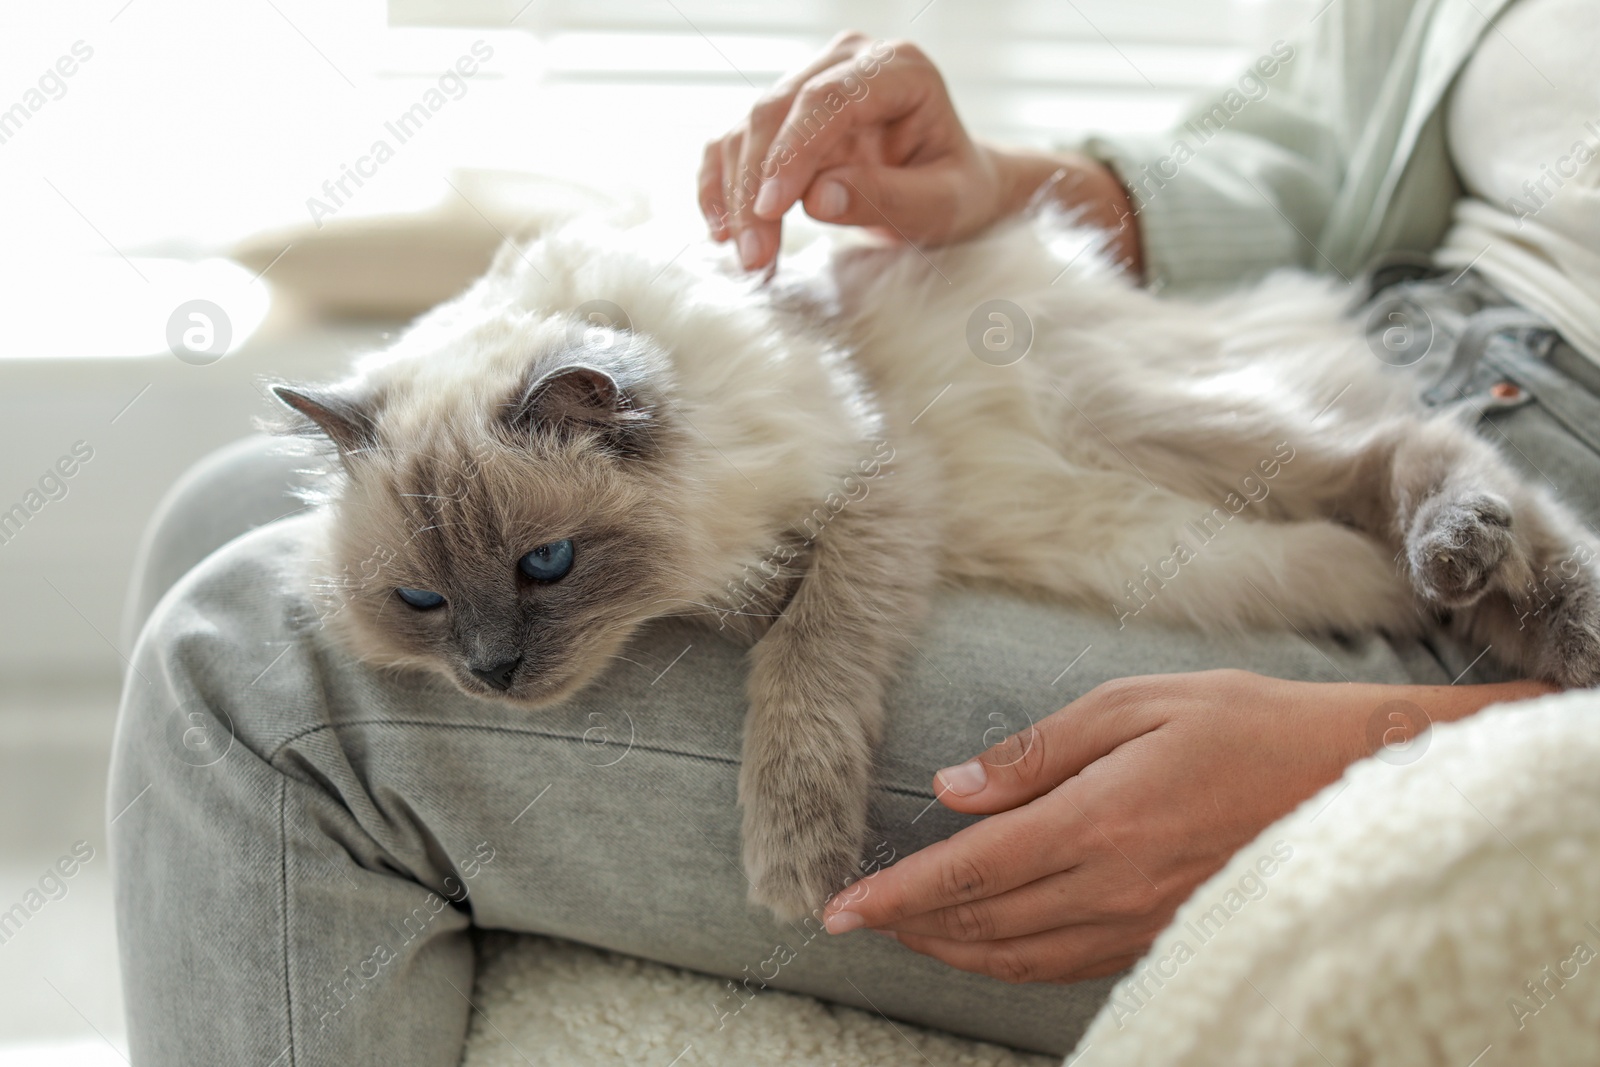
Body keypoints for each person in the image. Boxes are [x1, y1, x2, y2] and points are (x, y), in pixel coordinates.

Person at [110, 0, 1600, 1062]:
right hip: (1324, 350)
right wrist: (1012, 188)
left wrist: (1391, 754)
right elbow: (1333, 157)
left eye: (541, 581)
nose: (497, 656)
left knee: (249, 679)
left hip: (1509, 591)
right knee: (227, 518)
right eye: (454, 613)